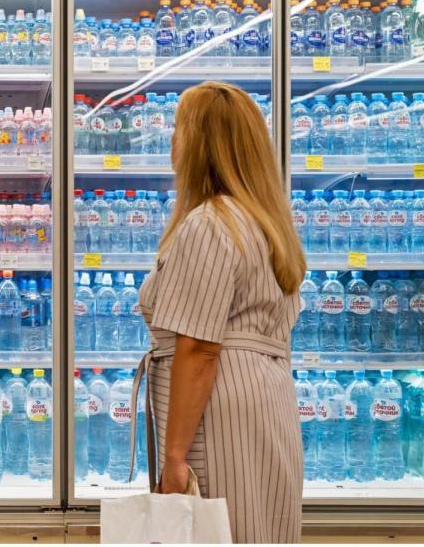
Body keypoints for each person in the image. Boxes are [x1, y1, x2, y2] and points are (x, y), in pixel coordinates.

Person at [136, 81, 305, 542]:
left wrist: (174, 460)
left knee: (215, 529)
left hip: (219, 411)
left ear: (200, 146)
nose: (172, 142)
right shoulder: (265, 224)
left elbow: (198, 349)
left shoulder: (210, 223)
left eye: (178, 130)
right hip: (266, 399)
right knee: (260, 527)